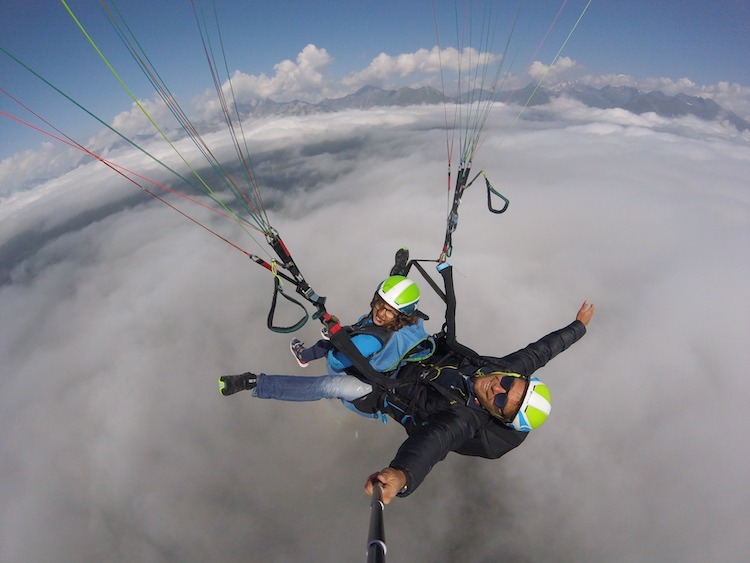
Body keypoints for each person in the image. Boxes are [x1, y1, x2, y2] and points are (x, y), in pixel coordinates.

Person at [218, 269, 435, 408]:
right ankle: (308, 353)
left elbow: (337, 361)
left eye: (389, 311)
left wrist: (335, 338)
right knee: (347, 331)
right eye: (380, 304)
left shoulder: (374, 339)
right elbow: (391, 303)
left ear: (400, 316)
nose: (380, 313)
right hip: (379, 358)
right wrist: (399, 268)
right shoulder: (406, 320)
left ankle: (255, 382)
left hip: (369, 386)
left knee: (326, 385)